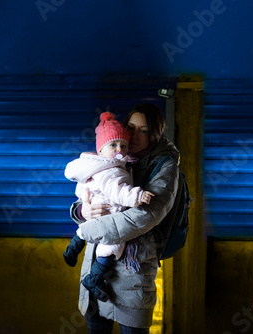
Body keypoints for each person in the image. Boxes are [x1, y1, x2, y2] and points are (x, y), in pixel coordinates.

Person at [70, 103, 181, 333]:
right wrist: (82, 212)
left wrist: (86, 231)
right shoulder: (111, 157)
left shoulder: (165, 166)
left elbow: (142, 217)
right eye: (131, 127)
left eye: (144, 129)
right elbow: (88, 196)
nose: (134, 135)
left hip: (133, 275)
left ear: (156, 133)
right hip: (96, 269)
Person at [63, 111, 155, 302]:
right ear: (100, 150)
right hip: (107, 217)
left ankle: (74, 247)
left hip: (129, 278)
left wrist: (85, 209)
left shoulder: (94, 165)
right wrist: (82, 210)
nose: (119, 149)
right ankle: (95, 278)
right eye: (113, 144)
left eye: (123, 145)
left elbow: (145, 216)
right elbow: (118, 192)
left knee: (90, 233)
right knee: (112, 246)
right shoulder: (112, 169)